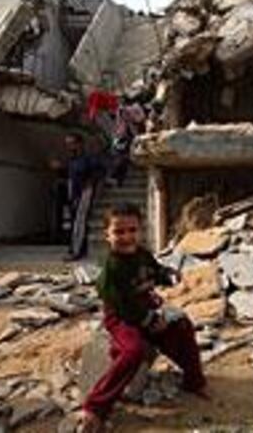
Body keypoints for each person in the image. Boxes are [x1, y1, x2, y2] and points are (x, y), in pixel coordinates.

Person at [82, 203, 206, 432]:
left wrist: (168, 276)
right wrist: (149, 320)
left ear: (141, 230)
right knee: (133, 351)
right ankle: (96, 407)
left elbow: (155, 271)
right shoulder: (111, 270)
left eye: (132, 230)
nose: (127, 237)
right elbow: (123, 307)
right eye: (119, 232)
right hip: (122, 318)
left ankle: (194, 381)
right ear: (107, 235)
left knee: (182, 325)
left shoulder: (142, 255)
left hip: (147, 307)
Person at [61, 133, 107, 261]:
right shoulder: (72, 160)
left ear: (79, 144)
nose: (69, 146)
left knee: (79, 223)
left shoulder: (88, 159)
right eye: (67, 144)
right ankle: (78, 249)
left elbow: (100, 171)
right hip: (74, 195)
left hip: (84, 194)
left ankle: (76, 252)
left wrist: (90, 185)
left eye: (72, 143)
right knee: (75, 223)